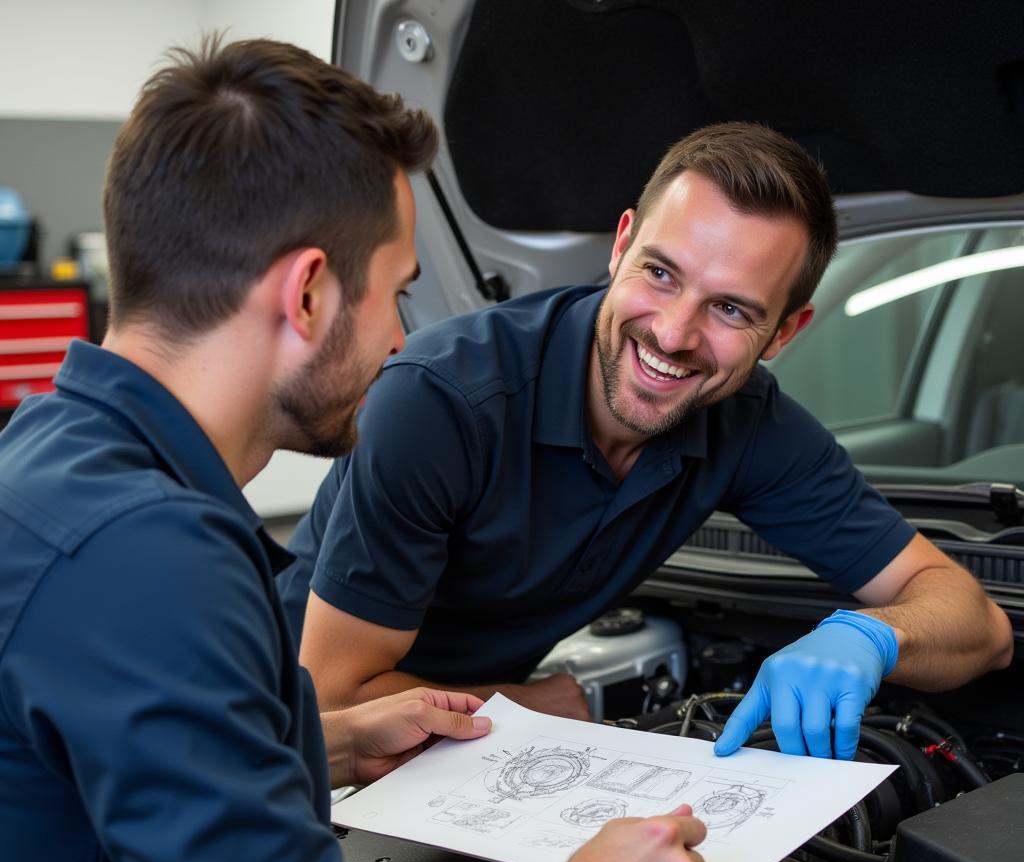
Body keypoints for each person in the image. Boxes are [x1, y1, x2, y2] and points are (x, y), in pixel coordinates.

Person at [0, 38, 707, 862]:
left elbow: (95, 770)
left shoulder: (50, 458)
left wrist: (319, 740)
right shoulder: (148, 557)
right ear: (307, 293)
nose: (403, 340)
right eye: (396, 289)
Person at [280, 122, 1013, 758]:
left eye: (730, 308)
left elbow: (979, 626)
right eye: (661, 273)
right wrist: (539, 707)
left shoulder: (747, 421)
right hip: (275, 747)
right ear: (622, 244)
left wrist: (872, 637)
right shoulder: (440, 403)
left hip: (470, 745)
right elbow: (336, 704)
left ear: (785, 333)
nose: (673, 333)